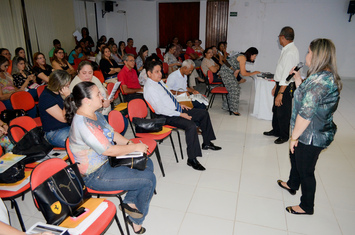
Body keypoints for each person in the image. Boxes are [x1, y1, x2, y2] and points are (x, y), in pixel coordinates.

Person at [65, 81, 155, 234]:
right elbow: (108, 150)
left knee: (146, 163)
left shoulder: (95, 114)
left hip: (108, 162)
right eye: (98, 94)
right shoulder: (83, 124)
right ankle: (136, 221)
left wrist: (128, 142)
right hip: (96, 174)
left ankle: (129, 202)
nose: (102, 96)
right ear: (86, 100)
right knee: (148, 179)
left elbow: (111, 133)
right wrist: (134, 147)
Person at [277, 38, 341, 215]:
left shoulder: (320, 83)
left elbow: (305, 115)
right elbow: (304, 95)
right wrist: (298, 78)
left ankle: (306, 206)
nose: (306, 55)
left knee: (306, 170)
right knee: (295, 158)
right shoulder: (320, 76)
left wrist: (294, 137)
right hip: (309, 132)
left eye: (308, 51)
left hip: (311, 135)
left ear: (316, 55)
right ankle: (292, 184)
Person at [144, 60, 222, 171]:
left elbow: (168, 96)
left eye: (160, 71)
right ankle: (192, 159)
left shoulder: (159, 82)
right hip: (165, 116)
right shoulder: (150, 88)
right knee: (190, 126)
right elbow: (160, 109)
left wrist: (179, 104)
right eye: (156, 72)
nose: (160, 74)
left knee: (203, 113)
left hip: (175, 109)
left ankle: (207, 142)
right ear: (149, 73)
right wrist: (180, 114)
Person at [263, 26, 299, 144]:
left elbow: (287, 76)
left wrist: (281, 92)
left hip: (286, 86)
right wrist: (276, 85)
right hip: (281, 84)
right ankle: (276, 130)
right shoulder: (287, 50)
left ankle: (284, 135)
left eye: (279, 37)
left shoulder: (290, 52)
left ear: (283, 37)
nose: (278, 39)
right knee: (277, 109)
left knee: (283, 111)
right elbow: (281, 71)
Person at [219, 47, 260, 116]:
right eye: (255, 56)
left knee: (234, 88)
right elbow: (243, 73)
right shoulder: (242, 58)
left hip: (228, 73)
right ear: (251, 54)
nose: (255, 58)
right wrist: (254, 72)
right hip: (225, 72)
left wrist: (234, 82)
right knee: (235, 90)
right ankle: (234, 110)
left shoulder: (242, 57)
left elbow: (236, 72)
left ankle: (227, 106)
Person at [38, 70, 71, 148]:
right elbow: (64, 118)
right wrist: (67, 98)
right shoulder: (46, 97)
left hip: (67, 127)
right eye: (67, 84)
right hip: (54, 132)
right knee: (79, 143)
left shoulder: (57, 92)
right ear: (59, 84)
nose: (69, 85)